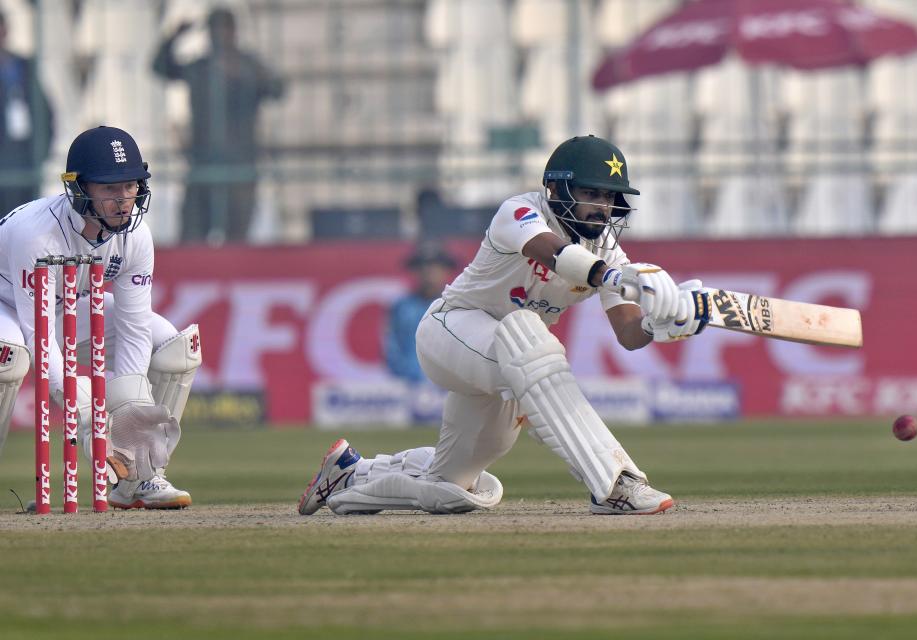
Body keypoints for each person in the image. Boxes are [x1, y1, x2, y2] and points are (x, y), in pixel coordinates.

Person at [298, 134, 711, 516]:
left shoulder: (608, 253)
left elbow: (628, 333)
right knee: (530, 335)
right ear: (557, 189)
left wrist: (666, 324)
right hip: (450, 332)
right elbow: (555, 254)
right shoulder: (520, 212)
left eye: (608, 197)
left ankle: (353, 474)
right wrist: (615, 277)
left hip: (508, 361)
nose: (601, 207)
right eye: (590, 193)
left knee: (453, 489)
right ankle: (616, 484)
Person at [0, 126, 203, 509]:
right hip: (10, 308)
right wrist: (86, 417)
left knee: (175, 348)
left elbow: (134, 327)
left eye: (130, 186)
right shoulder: (36, 235)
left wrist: (129, 417)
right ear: (78, 189)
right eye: (109, 189)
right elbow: (38, 336)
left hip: (66, 307)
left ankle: (140, 479)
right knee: (7, 358)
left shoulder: (136, 236)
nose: (123, 200)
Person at [152, 7, 285, 244]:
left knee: (237, 239)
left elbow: (277, 89)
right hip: (203, 163)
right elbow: (161, 67)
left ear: (233, 32)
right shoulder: (200, 68)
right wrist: (173, 37)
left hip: (240, 166)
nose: (218, 36)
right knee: (192, 236)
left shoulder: (247, 66)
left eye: (223, 29)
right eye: (214, 30)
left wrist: (243, 76)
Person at [0, 9, 54, 217]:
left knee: (25, 216)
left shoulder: (23, 66)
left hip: (25, 156)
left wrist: (42, 151)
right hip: (3, 157)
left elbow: (45, 111)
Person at [383, 242, 457, 383]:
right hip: (408, 388)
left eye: (436, 265)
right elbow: (391, 351)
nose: (428, 270)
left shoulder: (458, 307)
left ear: (446, 269)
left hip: (451, 387)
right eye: (422, 265)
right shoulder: (401, 308)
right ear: (415, 270)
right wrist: (411, 377)